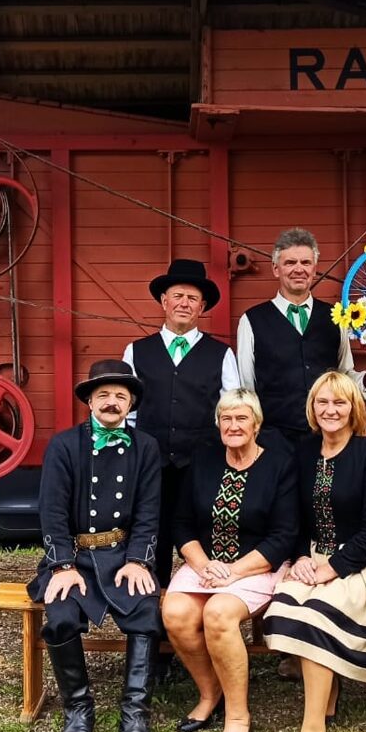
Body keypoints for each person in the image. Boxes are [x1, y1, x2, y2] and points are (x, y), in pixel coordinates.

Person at [262, 370, 366, 732]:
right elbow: (291, 516)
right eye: (322, 402)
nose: (330, 410)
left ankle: (313, 727)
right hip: (313, 557)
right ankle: (330, 686)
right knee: (283, 606)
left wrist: (332, 568)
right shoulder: (303, 453)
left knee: (314, 616)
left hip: (364, 562)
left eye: (340, 402)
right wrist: (300, 557)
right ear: (312, 408)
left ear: (354, 408)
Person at [28, 359, 163, 732]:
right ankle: (78, 710)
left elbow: (149, 512)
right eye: (103, 394)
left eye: (120, 396)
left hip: (123, 557)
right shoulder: (64, 445)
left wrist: (139, 560)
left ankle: (135, 716)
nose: (111, 402)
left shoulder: (146, 447)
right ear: (89, 401)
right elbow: (52, 511)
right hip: (75, 557)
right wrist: (62, 566)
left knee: (146, 611)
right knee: (61, 614)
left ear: (130, 404)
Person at [161, 388, 297, 732]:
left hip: (256, 565)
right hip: (207, 563)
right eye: (226, 418)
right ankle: (210, 693)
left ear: (256, 424)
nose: (233, 425)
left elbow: (283, 535)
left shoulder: (279, 465)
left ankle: (238, 715)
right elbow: (181, 522)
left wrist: (234, 572)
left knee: (218, 614)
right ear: (218, 424)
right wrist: (204, 564)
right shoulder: (203, 460)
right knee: (175, 612)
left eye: (241, 418)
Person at [123, 258, 242, 613]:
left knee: (204, 543)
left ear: (202, 307)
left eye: (192, 298)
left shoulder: (221, 354)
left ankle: (204, 619)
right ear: (164, 301)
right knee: (152, 541)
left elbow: (231, 410)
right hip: (151, 466)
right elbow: (128, 413)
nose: (184, 303)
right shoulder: (136, 351)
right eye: (178, 296)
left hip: (202, 466)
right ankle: (150, 626)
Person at [236, 228, 366, 449]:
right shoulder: (251, 320)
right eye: (290, 263)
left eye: (305, 262)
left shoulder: (336, 318)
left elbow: (346, 378)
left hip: (327, 442)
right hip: (272, 445)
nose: (299, 269)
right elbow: (246, 390)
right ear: (276, 269)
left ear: (314, 269)